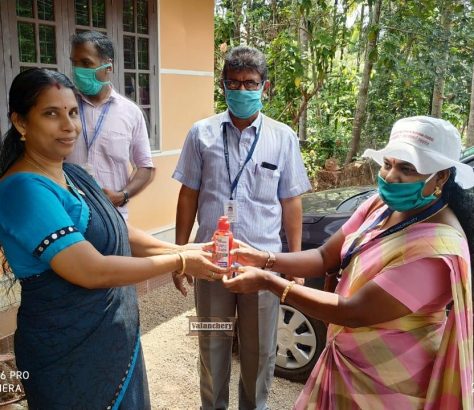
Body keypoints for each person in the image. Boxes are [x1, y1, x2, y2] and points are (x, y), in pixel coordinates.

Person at [0, 68, 225, 409]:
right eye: (51, 114)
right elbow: (91, 269)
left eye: (73, 112)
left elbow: (120, 233)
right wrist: (179, 261)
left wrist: (182, 248)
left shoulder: (71, 174)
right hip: (67, 353)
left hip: (112, 341)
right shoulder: (24, 190)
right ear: (20, 122)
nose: (68, 125)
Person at [224, 116, 474, 409]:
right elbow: (324, 256)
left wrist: (269, 282)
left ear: (441, 176)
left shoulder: (437, 250)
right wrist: (265, 258)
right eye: (388, 164)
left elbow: (354, 312)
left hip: (390, 383)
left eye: (407, 169)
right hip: (347, 359)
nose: (391, 177)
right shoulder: (381, 206)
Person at [172, 46, 311, 409]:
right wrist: (179, 254)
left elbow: (291, 202)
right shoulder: (200, 134)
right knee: (212, 343)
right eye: (233, 83)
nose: (241, 90)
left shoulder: (283, 138)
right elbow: (188, 194)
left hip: (261, 267)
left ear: (265, 88)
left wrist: (292, 263)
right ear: (223, 85)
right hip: (210, 262)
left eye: (250, 83)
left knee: (259, 350)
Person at [66, 30, 154, 220]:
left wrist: (123, 195)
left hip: (113, 218)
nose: (78, 70)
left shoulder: (130, 113)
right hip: (67, 216)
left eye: (86, 63)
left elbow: (145, 167)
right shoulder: (64, 107)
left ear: (108, 66)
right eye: (75, 63)